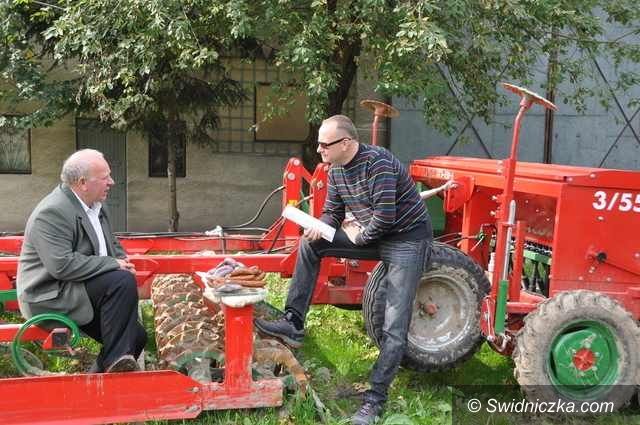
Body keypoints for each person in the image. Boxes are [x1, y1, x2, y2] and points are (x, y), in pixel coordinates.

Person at [255, 115, 433, 425]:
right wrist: (320, 227)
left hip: (407, 240)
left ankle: (374, 400)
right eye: (319, 144)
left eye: (325, 144)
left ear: (346, 143)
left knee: (394, 323)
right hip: (372, 235)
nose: (319, 149)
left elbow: (385, 218)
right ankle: (293, 322)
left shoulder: (378, 163)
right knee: (311, 244)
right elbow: (333, 213)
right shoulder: (336, 170)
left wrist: (356, 236)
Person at [17, 149, 146, 373]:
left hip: (78, 287)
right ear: (83, 182)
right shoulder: (52, 212)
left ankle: (98, 380)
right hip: (50, 296)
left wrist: (122, 259)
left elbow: (110, 243)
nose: (112, 182)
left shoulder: (96, 206)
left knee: (137, 336)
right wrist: (113, 264)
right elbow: (61, 265)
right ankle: (116, 363)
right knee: (121, 281)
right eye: (105, 177)